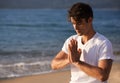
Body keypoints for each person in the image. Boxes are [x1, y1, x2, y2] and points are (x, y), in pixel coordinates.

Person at [51, 2, 114, 83]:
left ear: (90, 20)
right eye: (73, 23)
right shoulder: (72, 40)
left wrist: (77, 62)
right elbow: (54, 64)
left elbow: (103, 76)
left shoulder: (103, 43)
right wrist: (70, 59)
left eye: (79, 23)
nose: (75, 27)